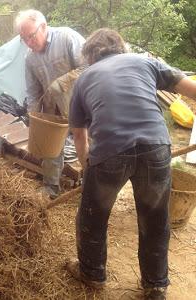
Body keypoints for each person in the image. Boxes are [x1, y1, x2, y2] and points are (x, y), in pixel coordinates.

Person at [67, 28, 196, 299]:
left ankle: (91, 274)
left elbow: (78, 133)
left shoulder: (83, 79)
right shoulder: (144, 62)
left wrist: (87, 165)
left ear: (90, 56)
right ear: (121, 47)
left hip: (110, 152)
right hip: (156, 147)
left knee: (92, 215)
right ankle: (156, 285)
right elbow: (189, 87)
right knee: (155, 219)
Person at [15, 9, 85, 199]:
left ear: (43, 26)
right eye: (24, 39)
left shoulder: (67, 38)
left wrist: (63, 82)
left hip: (82, 103)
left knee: (87, 143)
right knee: (51, 148)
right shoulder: (29, 58)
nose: (29, 42)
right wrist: (34, 117)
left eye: (31, 36)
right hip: (53, 108)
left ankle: (90, 186)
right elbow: (33, 91)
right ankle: (51, 187)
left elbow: (90, 66)